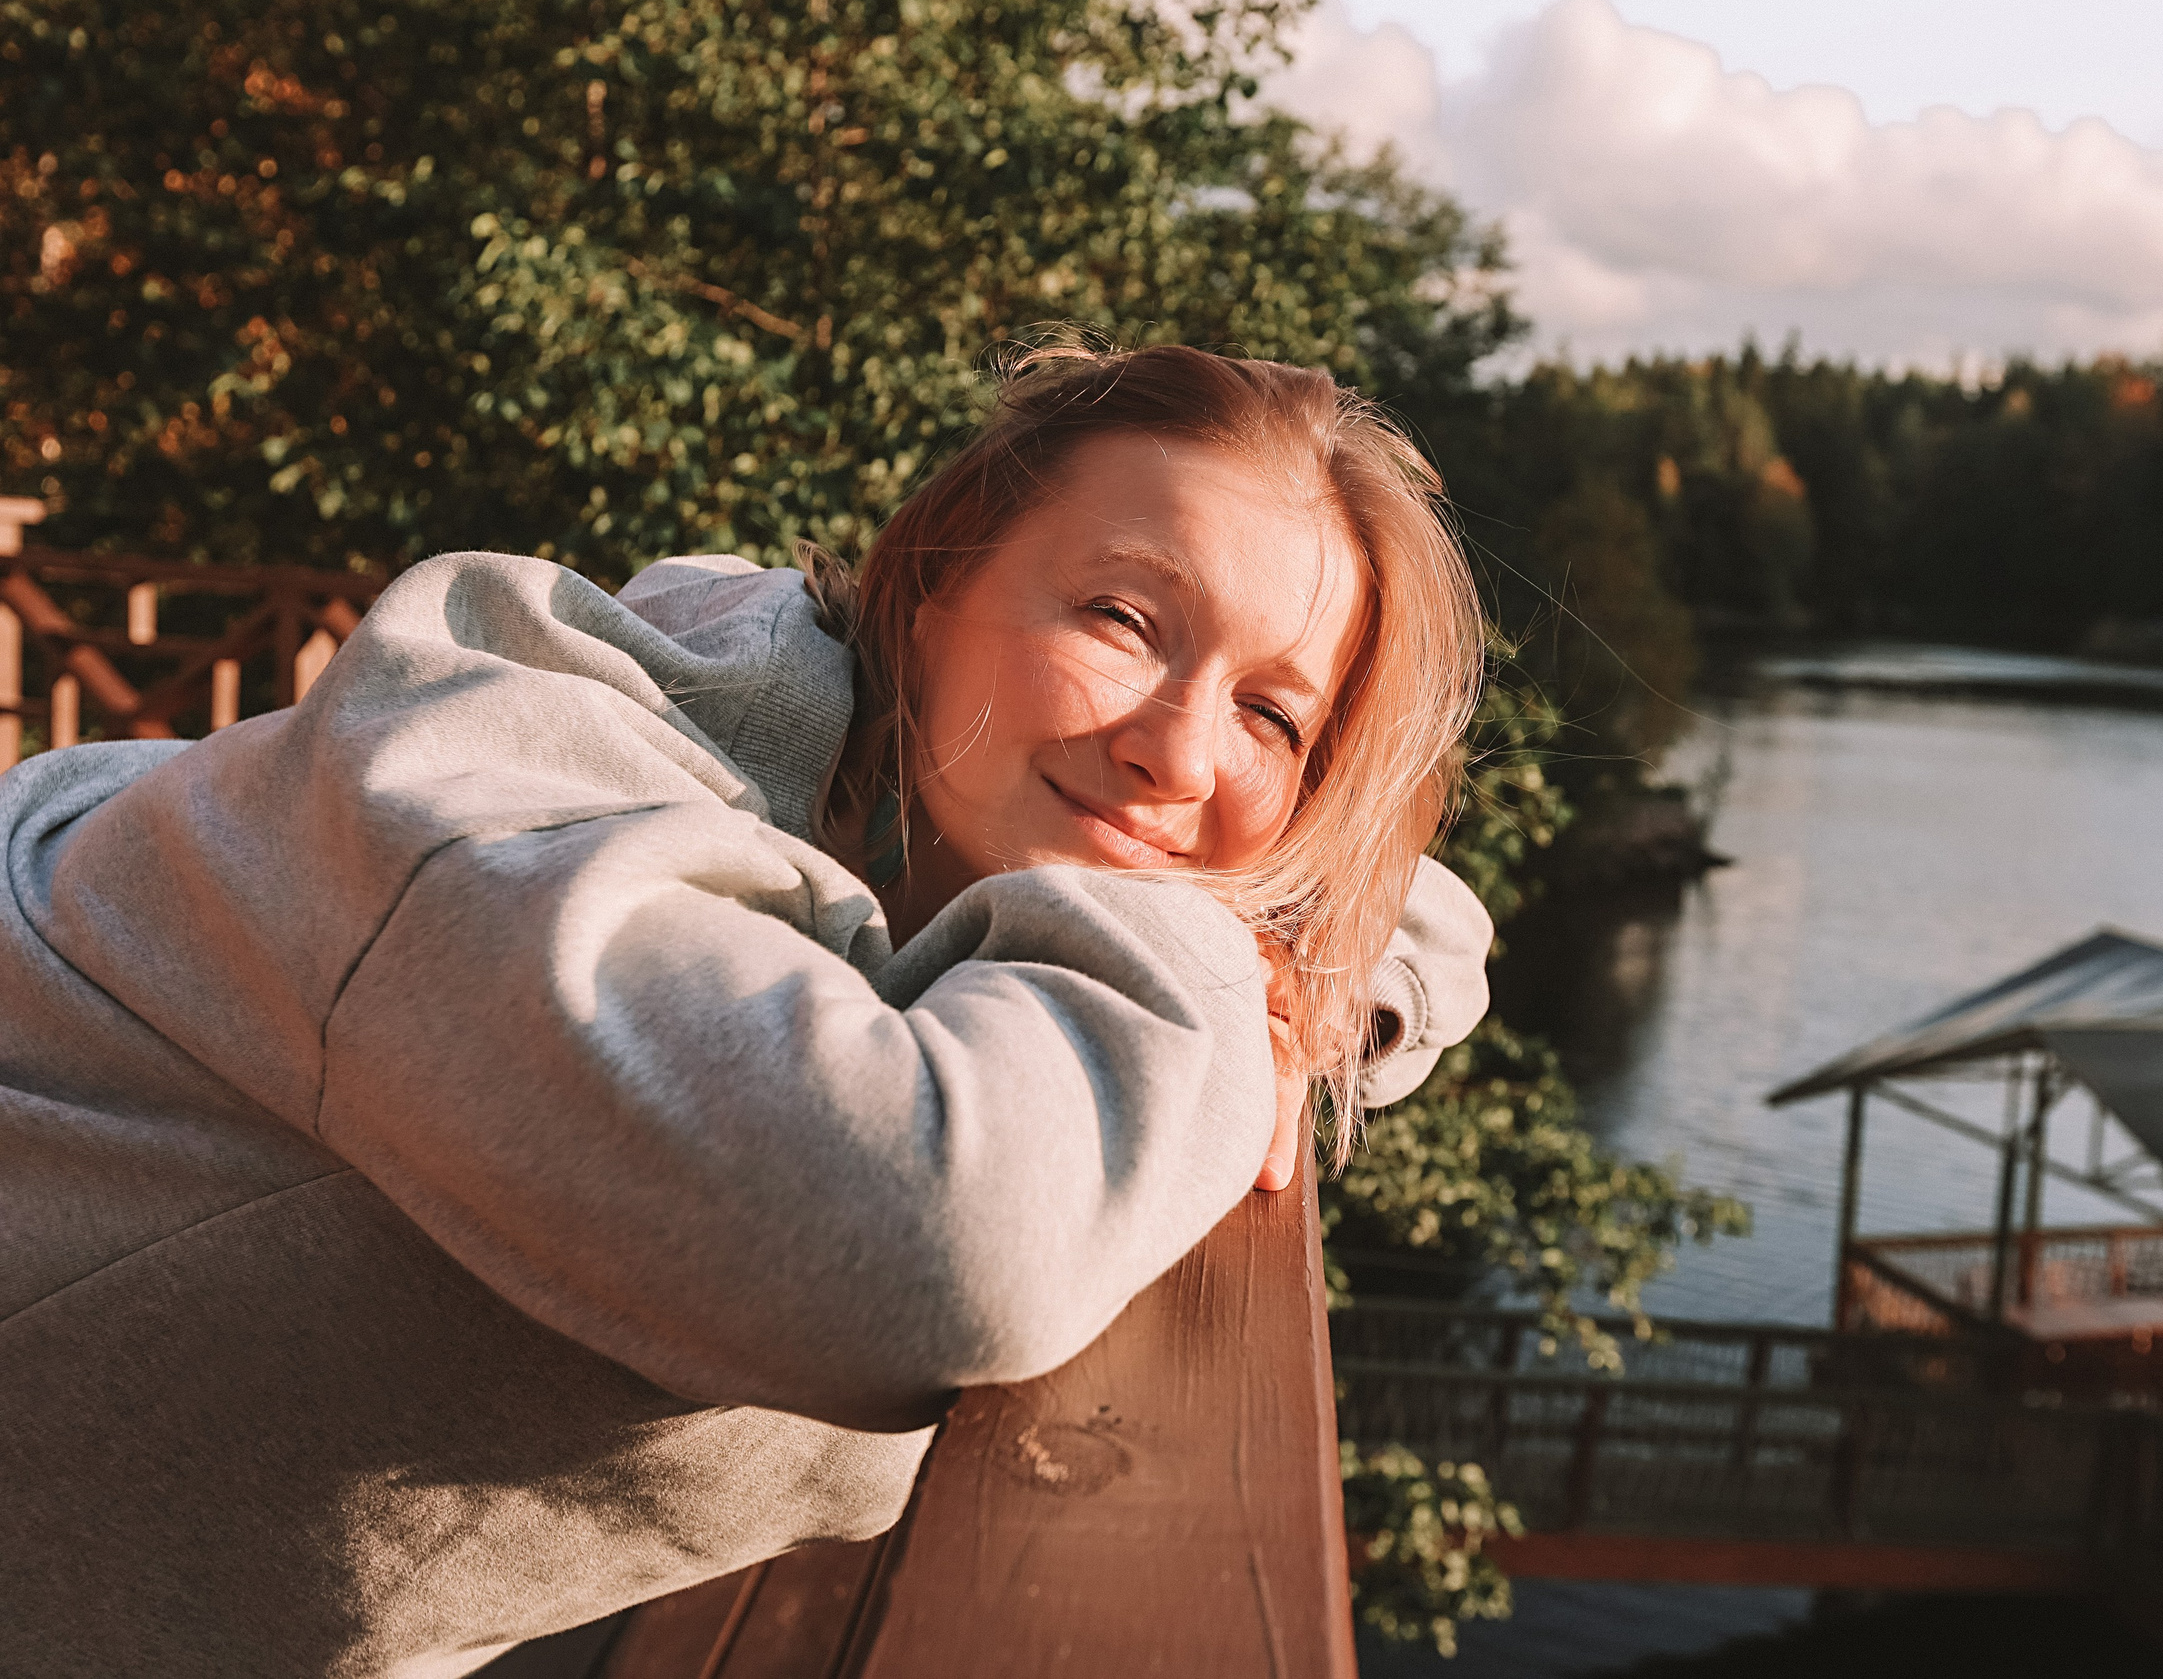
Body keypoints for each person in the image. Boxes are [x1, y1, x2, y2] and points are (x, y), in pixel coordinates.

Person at [0, 343, 1494, 1676]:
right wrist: (1219, 966)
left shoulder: (921, 806)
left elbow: (1423, 905)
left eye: (1272, 714)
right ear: (930, 592)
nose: (1177, 749)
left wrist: (1320, 958)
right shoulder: (509, 785)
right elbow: (928, 1237)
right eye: (1122, 615)